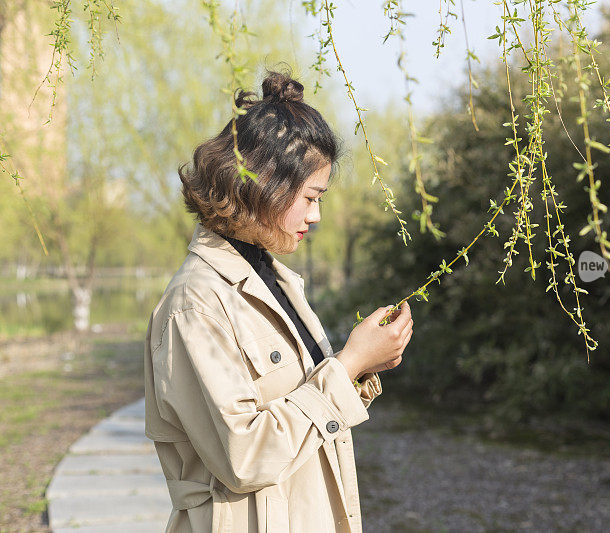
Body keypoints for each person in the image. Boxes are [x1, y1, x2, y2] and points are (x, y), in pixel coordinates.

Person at [143, 69, 413, 532]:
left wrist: (364, 366)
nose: (317, 215)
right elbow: (243, 456)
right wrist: (346, 366)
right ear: (264, 182)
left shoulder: (273, 278)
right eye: (309, 197)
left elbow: (296, 405)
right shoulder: (196, 302)